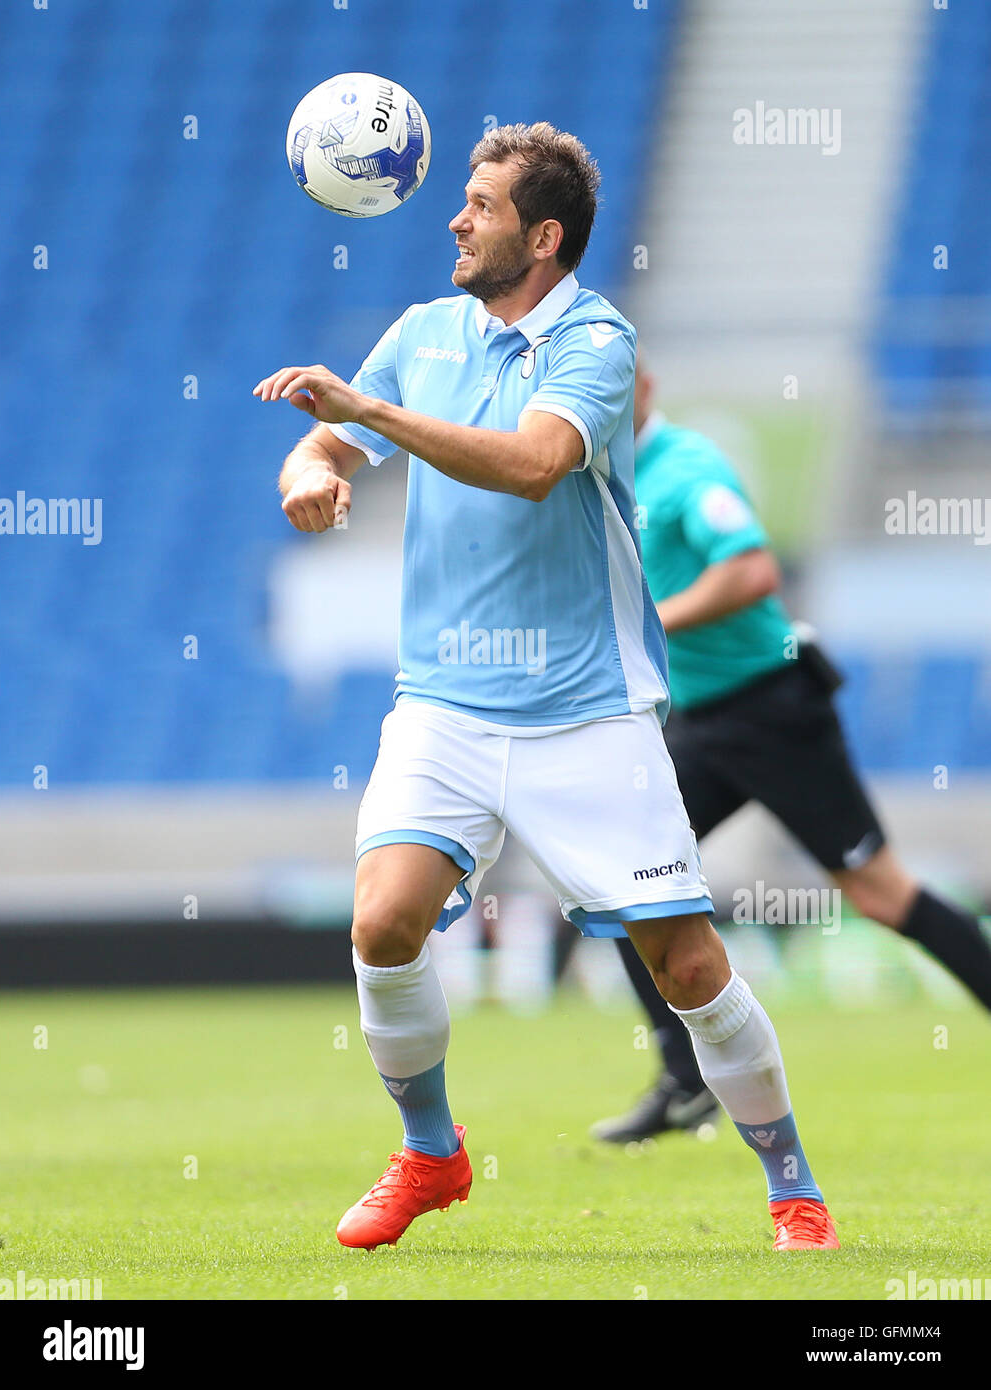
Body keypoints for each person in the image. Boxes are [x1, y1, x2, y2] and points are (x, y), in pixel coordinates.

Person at [254, 123, 837, 1251]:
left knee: (689, 963)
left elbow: (528, 466)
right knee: (382, 920)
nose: (453, 217)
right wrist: (310, 473)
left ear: (543, 233)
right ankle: (430, 1153)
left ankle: (790, 1185)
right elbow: (322, 447)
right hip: (443, 705)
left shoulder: (596, 339)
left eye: (478, 203)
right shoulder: (422, 333)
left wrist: (363, 416)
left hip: (585, 714)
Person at [591, 360, 991, 1144]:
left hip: (772, 709)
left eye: (614, 383)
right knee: (616, 884)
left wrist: (653, 623)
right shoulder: (605, 478)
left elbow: (752, 569)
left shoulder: (689, 468)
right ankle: (685, 1079)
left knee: (880, 893)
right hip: (698, 722)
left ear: (645, 387)